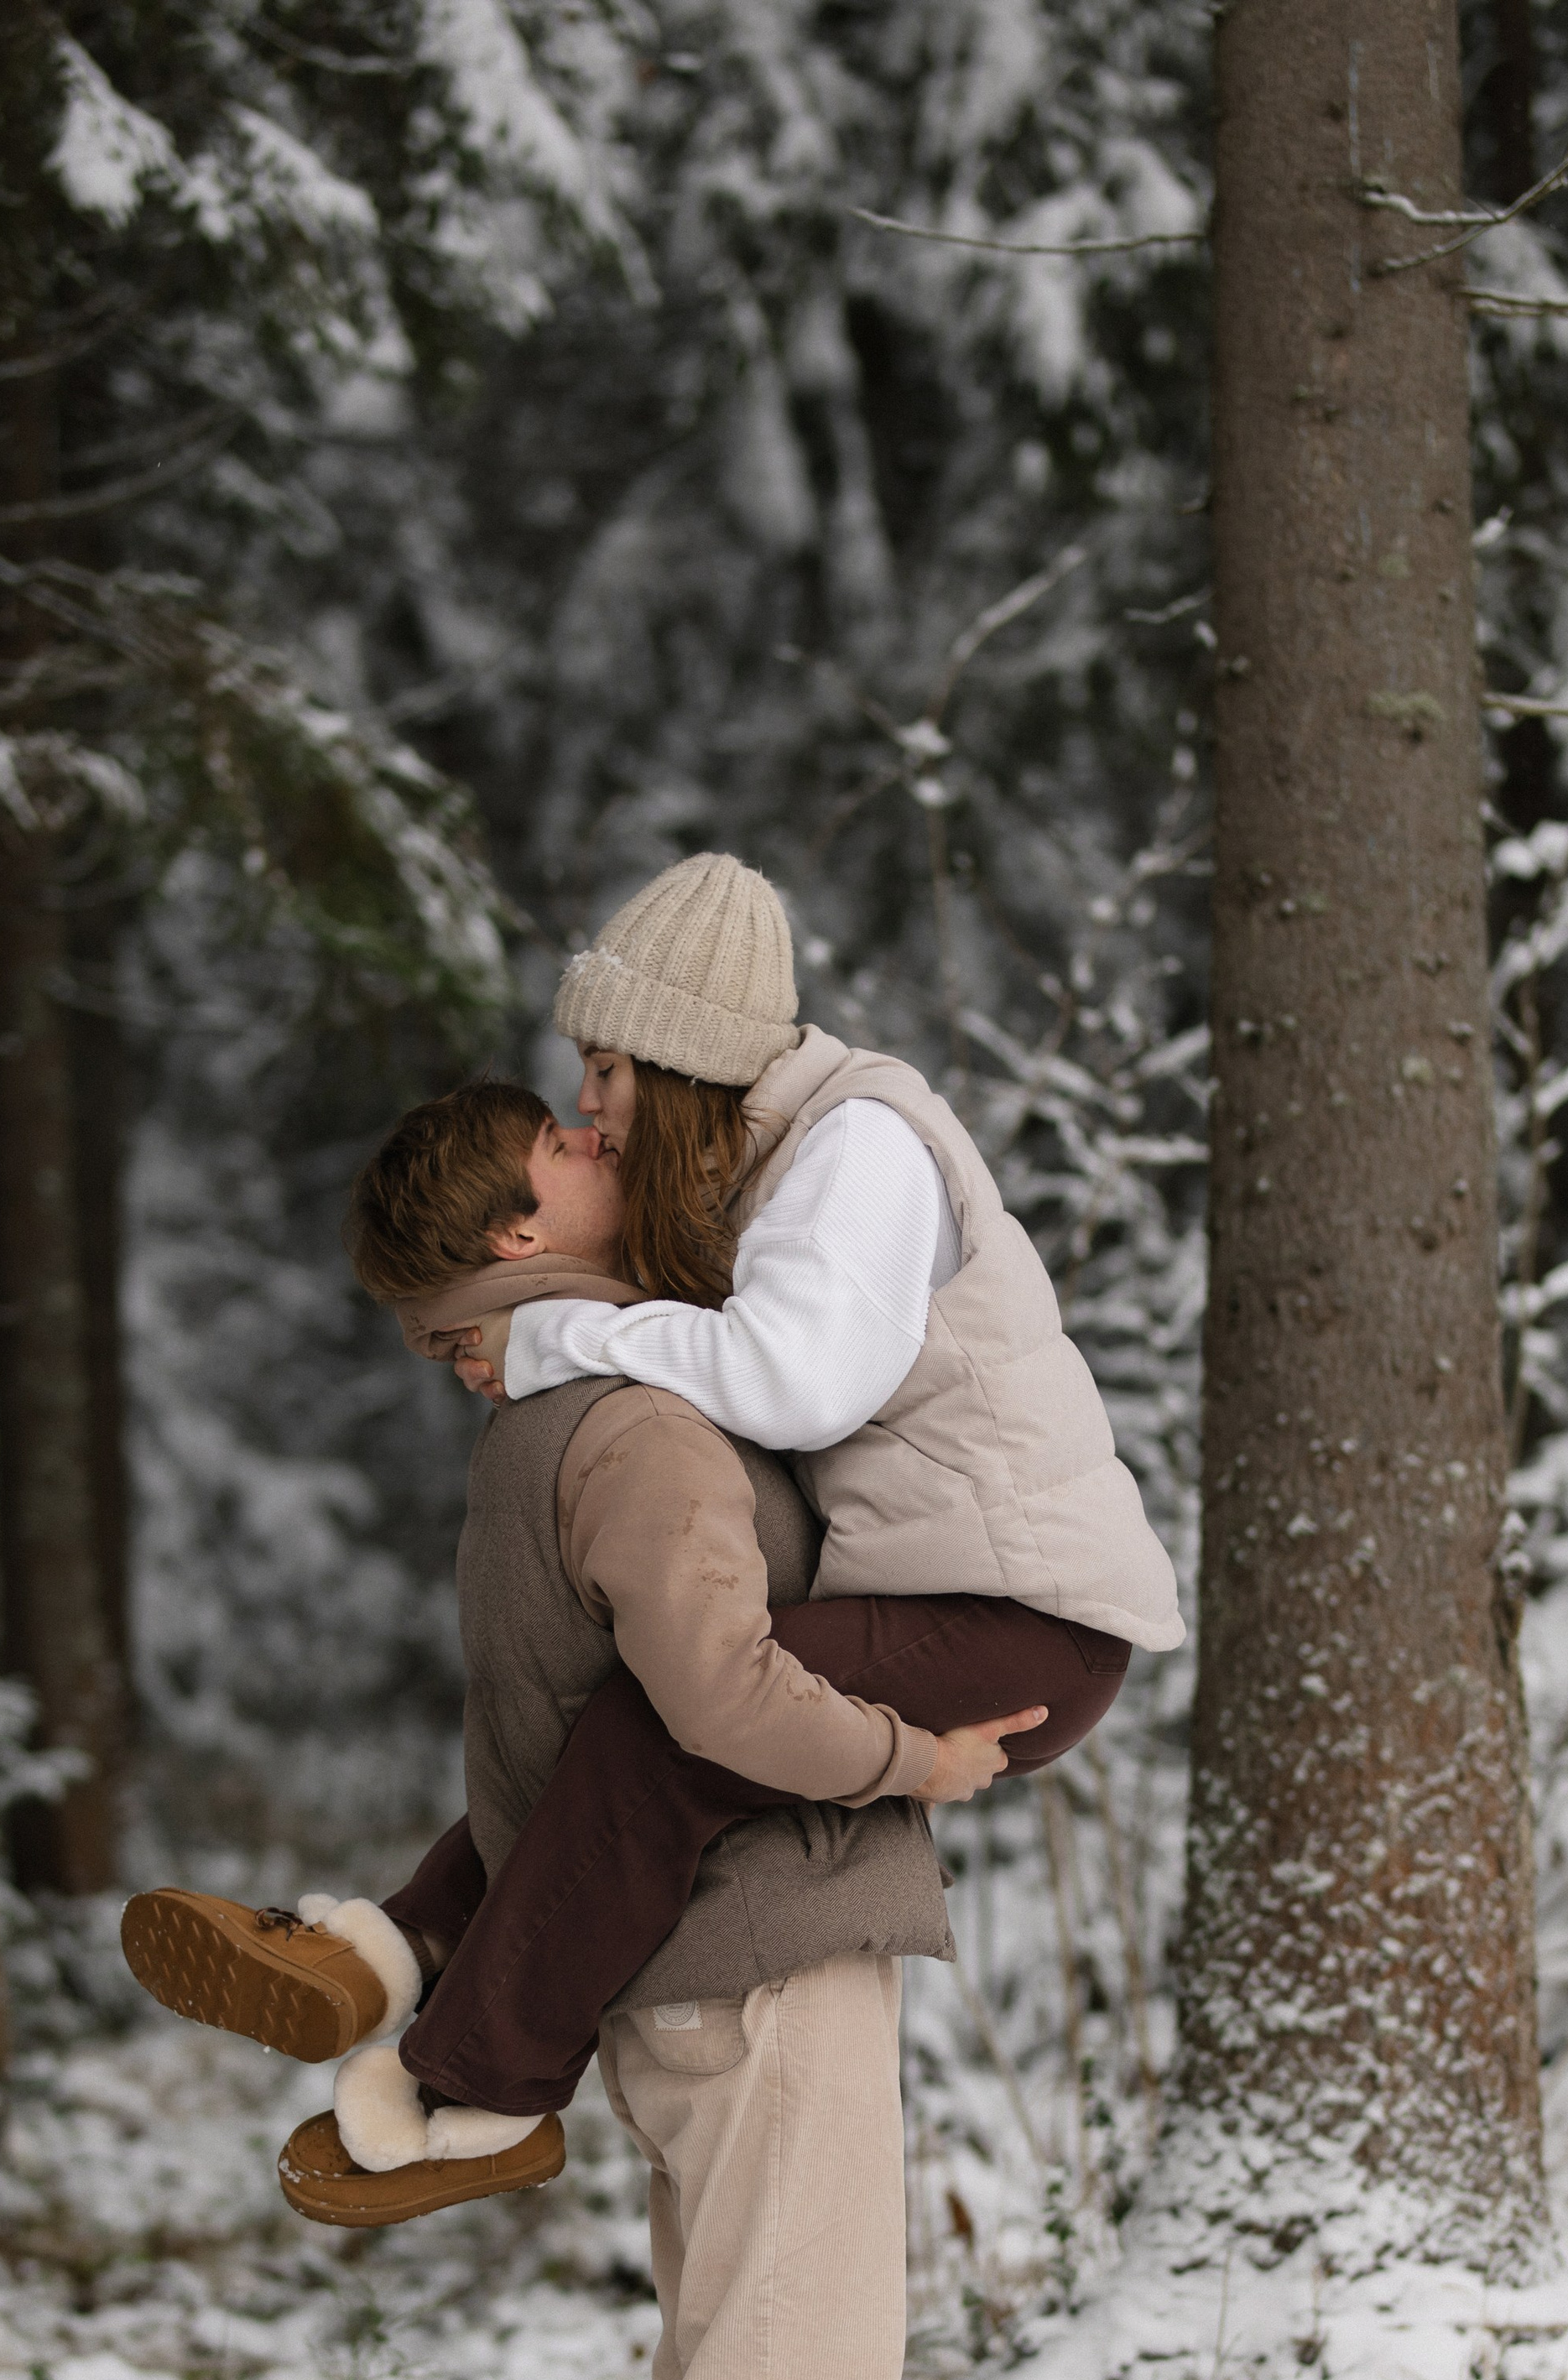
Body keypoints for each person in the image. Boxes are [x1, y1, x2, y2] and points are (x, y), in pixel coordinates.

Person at [133, 1081, 995, 2380]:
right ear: (524, 1237)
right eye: (570, 1145)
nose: (607, 1142)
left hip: (684, 1950)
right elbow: (715, 1697)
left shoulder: (551, 1416)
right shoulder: (634, 1422)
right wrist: (911, 1758)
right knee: (795, 2362)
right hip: (751, 1937)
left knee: (737, 2351)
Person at [125, 852, 1183, 2174]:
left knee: (664, 1729)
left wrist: (563, 1334)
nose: (589, 1106)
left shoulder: (859, 1151)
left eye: (606, 1073)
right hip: (942, 1594)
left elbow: (792, 1384)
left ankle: (482, 2082)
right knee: (627, 1726)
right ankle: (385, 1951)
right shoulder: (770, 1166)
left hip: (1025, 1620)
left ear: (677, 1058)